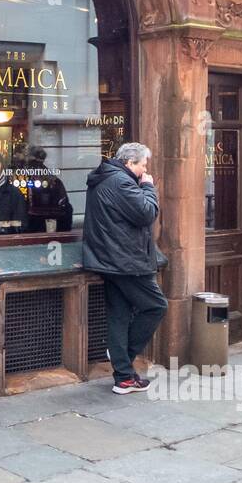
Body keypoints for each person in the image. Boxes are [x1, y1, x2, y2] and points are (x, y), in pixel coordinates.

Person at [82, 142, 168, 393]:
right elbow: (146, 213)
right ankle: (121, 356)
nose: (145, 170)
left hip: (110, 259)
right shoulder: (121, 182)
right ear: (130, 163)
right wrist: (149, 187)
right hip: (126, 261)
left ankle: (124, 378)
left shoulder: (107, 177)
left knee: (119, 315)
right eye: (143, 165)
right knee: (155, 306)